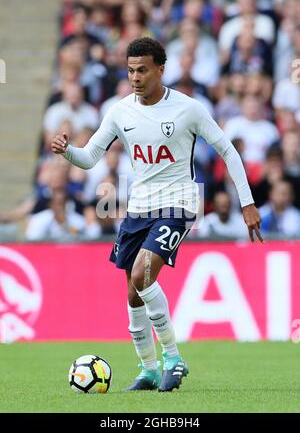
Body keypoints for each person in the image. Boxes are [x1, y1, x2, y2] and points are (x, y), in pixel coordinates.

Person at [51, 37, 263, 392]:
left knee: (142, 275)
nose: (135, 77)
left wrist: (247, 202)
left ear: (160, 69)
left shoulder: (188, 109)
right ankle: (148, 370)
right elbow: (89, 158)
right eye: (131, 70)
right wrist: (67, 151)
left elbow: (228, 151)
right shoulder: (119, 111)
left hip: (178, 204)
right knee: (133, 294)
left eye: (143, 70)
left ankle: (174, 359)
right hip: (138, 208)